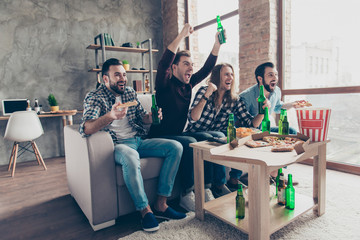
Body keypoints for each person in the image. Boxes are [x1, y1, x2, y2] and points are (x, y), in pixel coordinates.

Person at [79, 58, 186, 232]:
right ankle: (145, 210)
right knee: (130, 155)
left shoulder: (129, 92)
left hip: (138, 140)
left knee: (175, 147)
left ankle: (161, 204)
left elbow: (142, 117)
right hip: (117, 145)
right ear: (105, 79)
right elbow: (86, 128)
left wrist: (151, 117)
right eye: (117, 75)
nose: (122, 78)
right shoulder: (95, 97)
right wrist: (110, 116)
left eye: (124, 74)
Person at [148, 23, 228, 212]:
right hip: (160, 136)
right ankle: (187, 193)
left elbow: (208, 68)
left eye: (192, 65)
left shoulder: (188, 85)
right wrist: (182, 34)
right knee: (190, 141)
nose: (191, 68)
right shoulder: (165, 84)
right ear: (174, 67)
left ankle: (206, 188)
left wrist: (217, 44)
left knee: (210, 139)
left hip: (176, 134)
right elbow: (163, 63)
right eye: (186, 64)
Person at [185, 63, 264, 192]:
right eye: (226, 74)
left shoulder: (234, 99)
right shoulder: (204, 91)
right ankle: (218, 185)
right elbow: (193, 118)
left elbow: (250, 123)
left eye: (232, 74)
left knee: (235, 135)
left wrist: (262, 111)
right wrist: (207, 94)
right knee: (218, 136)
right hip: (195, 133)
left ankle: (230, 180)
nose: (230, 78)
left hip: (216, 135)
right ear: (217, 77)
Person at [228, 62, 300, 189]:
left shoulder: (276, 91)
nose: (275, 78)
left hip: (263, 128)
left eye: (276, 75)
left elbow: (277, 106)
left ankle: (278, 173)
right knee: (242, 139)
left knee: (291, 131)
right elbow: (244, 123)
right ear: (260, 78)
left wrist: (293, 104)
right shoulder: (246, 96)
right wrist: (262, 110)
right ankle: (234, 178)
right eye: (270, 75)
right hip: (247, 130)